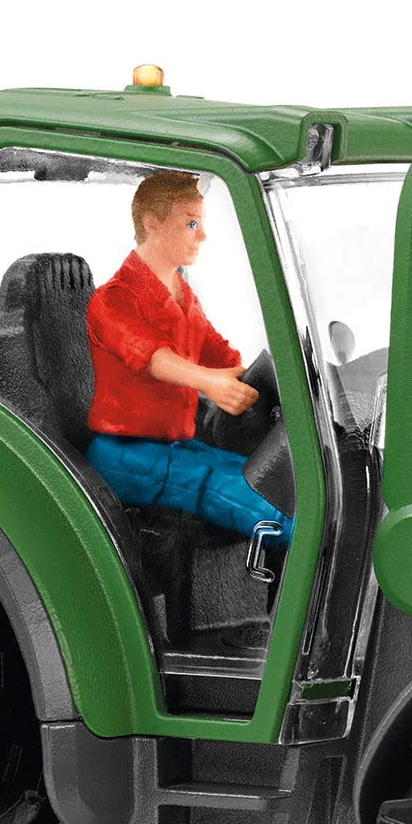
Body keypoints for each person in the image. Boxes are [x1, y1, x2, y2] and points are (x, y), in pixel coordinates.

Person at [84, 171, 293, 544]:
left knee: (287, 484)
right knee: (277, 514)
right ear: (153, 224)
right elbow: (151, 357)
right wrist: (209, 383)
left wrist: (260, 380)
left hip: (178, 444)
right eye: (191, 223)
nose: (202, 235)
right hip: (126, 456)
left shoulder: (181, 294)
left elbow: (216, 353)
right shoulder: (112, 299)